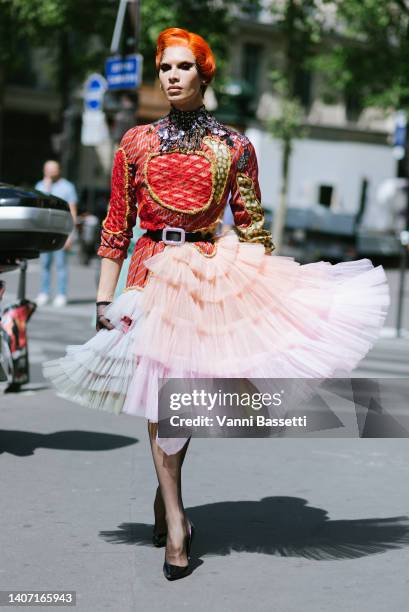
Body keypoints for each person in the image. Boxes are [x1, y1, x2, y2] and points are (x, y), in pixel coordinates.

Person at [43, 27, 390, 581]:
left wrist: (262, 287)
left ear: (204, 74)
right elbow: (116, 226)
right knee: (159, 395)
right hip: (147, 276)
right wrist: (104, 297)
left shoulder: (235, 146)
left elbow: (253, 226)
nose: (172, 76)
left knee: (181, 397)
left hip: (207, 279)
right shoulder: (134, 142)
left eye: (183, 67)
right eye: (165, 68)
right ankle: (177, 519)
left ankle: (166, 494)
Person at [35, 160, 78, 307]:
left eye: (53, 169)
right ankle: (44, 292)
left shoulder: (67, 187)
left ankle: (61, 294)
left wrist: (70, 234)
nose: (51, 171)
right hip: (44, 231)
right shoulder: (40, 186)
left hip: (61, 231)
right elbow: (38, 207)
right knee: (45, 264)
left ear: (59, 170)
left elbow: (73, 210)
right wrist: (46, 187)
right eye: (48, 169)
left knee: (61, 265)